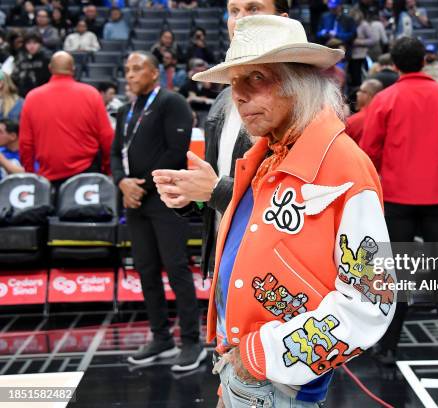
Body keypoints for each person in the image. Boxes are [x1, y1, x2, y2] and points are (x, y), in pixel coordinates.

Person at [155, 15, 396, 407]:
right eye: (234, 83)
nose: (239, 96)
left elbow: (372, 302)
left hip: (276, 384)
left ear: (298, 81)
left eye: (256, 79)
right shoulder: (267, 153)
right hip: (243, 371)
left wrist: (261, 356)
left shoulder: (343, 165)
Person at [151, 0, 290, 283]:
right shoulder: (223, 100)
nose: (239, 21)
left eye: (253, 9)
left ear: (282, 20)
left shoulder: (301, 101)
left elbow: (295, 201)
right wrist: (192, 197)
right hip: (225, 261)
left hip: (276, 272)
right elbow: (214, 193)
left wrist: (215, 189)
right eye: (234, 11)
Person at [360, 37, 438, 367]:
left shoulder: (384, 99)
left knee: (396, 273)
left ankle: (389, 347)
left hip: (397, 199)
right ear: (425, 61)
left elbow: (370, 150)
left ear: (394, 65)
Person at [111, 51, 205, 372]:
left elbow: (175, 151)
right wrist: (122, 182)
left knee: (177, 268)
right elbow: (114, 155)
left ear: (154, 73)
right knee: (146, 270)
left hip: (165, 198)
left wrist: (141, 186)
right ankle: (161, 337)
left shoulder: (171, 102)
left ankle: (192, 341)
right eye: (127, 69)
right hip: (135, 202)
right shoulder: (125, 110)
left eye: (137, 69)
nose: (130, 74)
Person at [19, 51, 114, 189]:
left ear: (50, 68)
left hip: (48, 179)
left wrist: (30, 174)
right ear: (73, 69)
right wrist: (107, 170)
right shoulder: (91, 94)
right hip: (87, 176)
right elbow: (107, 137)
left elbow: (25, 144)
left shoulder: (32, 97)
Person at [12, 32, 50, 97]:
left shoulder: (47, 58)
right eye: (28, 43)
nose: (31, 46)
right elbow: (14, 77)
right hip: (23, 95)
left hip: (44, 94)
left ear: (40, 44)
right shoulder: (19, 58)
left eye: (35, 43)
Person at [346, 78, 383, 143]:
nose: (357, 93)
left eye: (360, 90)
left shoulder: (353, 121)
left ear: (368, 95)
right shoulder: (384, 117)